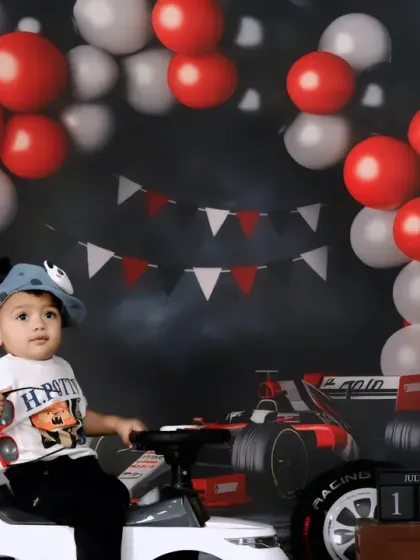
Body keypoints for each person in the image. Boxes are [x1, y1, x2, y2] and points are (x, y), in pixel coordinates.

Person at [0, 259, 146, 560]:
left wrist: (115, 423)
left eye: (49, 314)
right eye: (23, 316)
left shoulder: (61, 367)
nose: (39, 324)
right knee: (96, 506)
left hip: (80, 466)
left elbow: (75, 417)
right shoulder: (5, 371)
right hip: (36, 474)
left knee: (115, 493)